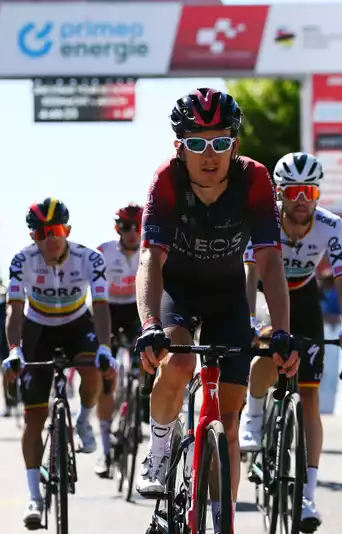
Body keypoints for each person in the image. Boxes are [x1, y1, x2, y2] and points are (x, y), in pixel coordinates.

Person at [133, 88, 298, 532]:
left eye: (221, 142)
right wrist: (150, 324)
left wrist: (281, 331)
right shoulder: (166, 181)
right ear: (179, 147)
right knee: (180, 360)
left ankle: (221, 516)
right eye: (197, 143)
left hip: (228, 298)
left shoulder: (256, 180)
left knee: (227, 419)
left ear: (235, 145)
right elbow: (151, 259)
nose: (210, 155)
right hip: (179, 293)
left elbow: (269, 261)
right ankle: (161, 446)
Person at [238, 152, 342, 530]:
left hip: (303, 296)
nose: (301, 199)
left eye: (309, 191)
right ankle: (254, 414)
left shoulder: (330, 225)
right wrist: (249, 322)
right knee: (266, 353)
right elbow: (250, 272)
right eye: (293, 191)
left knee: (309, 394)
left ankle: (307, 495)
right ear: (280, 193)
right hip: (261, 292)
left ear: (318, 193)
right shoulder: (263, 219)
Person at [0, 197, 118, 528]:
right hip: (37, 329)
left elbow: (103, 305)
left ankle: (84, 418)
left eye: (55, 231)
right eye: (40, 234)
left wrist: (106, 347)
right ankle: (34, 498)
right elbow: (13, 308)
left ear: (67, 229)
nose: (49, 239)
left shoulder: (89, 259)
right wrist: (13, 349)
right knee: (35, 416)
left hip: (77, 325)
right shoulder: (22, 260)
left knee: (93, 369)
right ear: (32, 237)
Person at [92, 202, 143, 477]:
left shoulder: (151, 250)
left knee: (148, 363)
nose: (133, 232)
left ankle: (138, 409)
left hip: (136, 310)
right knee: (106, 379)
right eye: (126, 227)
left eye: (137, 226)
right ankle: (104, 447)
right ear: (117, 229)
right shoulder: (104, 253)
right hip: (108, 310)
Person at [0, 295, 16, 417]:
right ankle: (7, 404)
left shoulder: (24, 305)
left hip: (20, 343)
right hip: (3, 344)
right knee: (5, 374)